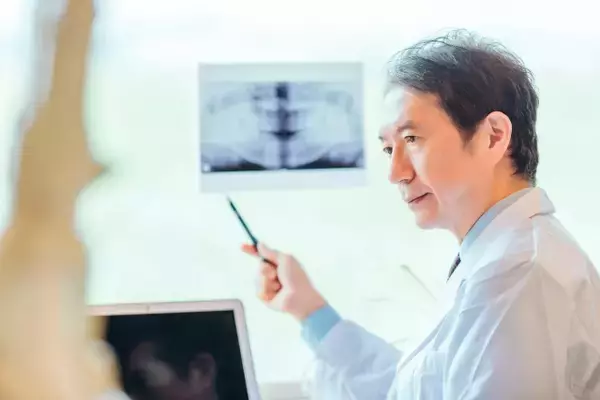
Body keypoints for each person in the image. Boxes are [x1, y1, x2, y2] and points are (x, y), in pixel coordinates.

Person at [242, 30, 600, 399]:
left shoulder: (518, 275)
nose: (395, 173)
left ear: (493, 136)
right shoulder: (497, 259)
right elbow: (416, 388)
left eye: (412, 140)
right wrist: (309, 310)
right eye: (388, 149)